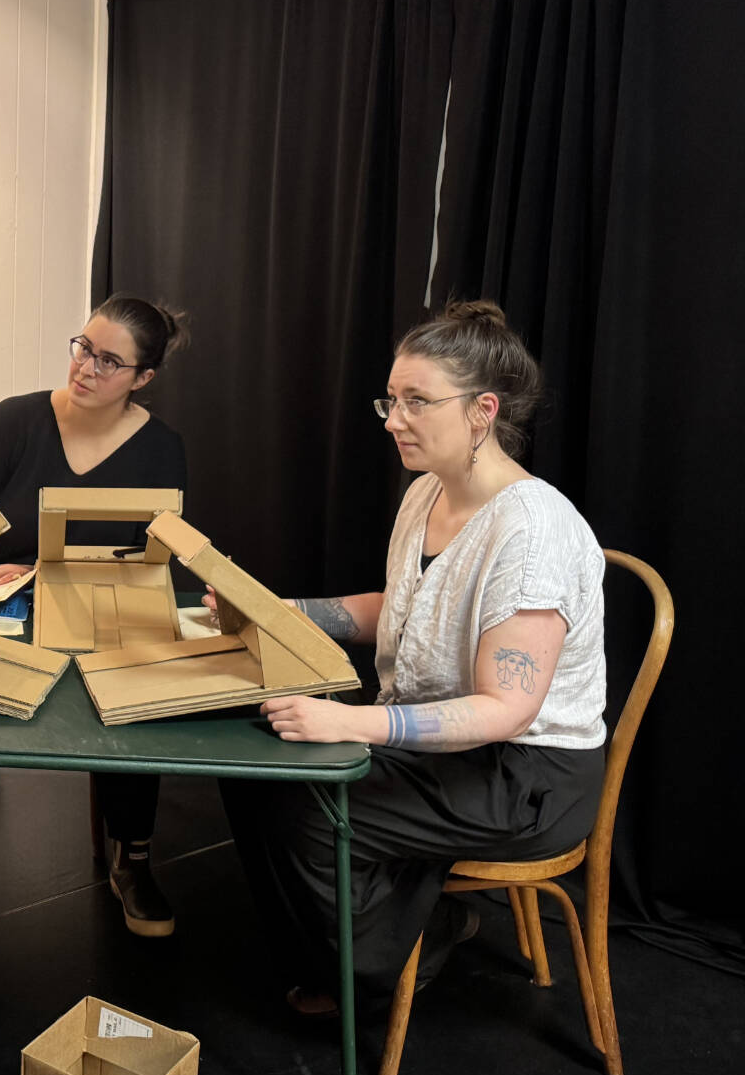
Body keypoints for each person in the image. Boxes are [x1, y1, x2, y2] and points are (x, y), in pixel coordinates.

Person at [222, 301, 608, 1008]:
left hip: (526, 775)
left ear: (482, 411)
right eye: (391, 400)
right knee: (252, 769)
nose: (393, 420)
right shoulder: (427, 491)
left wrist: (351, 723)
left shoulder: (533, 532)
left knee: (307, 812)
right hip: (452, 744)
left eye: (416, 402)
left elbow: (506, 709)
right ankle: (381, 935)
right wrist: (276, 611)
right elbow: (402, 607)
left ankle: (390, 961)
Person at [0, 296, 188, 937]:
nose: (86, 368)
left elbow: (152, 559)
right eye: (83, 348)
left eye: (109, 361)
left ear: (143, 377)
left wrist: (43, 572)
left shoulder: (161, 448)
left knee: (137, 680)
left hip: (101, 613)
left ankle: (132, 856)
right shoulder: (15, 421)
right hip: (0, 608)